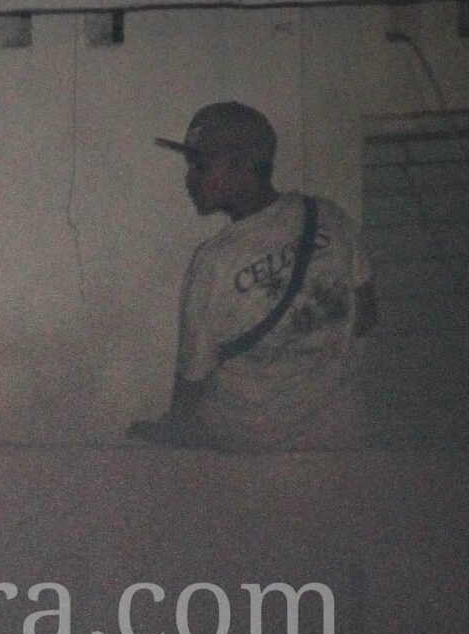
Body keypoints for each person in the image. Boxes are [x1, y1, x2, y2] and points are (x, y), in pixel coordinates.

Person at [131, 101, 378, 451]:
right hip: (338, 433)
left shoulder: (215, 262)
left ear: (242, 166)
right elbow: (366, 316)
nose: (190, 178)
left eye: (201, 166)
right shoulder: (329, 217)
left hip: (248, 445)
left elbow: (193, 380)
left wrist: (174, 430)